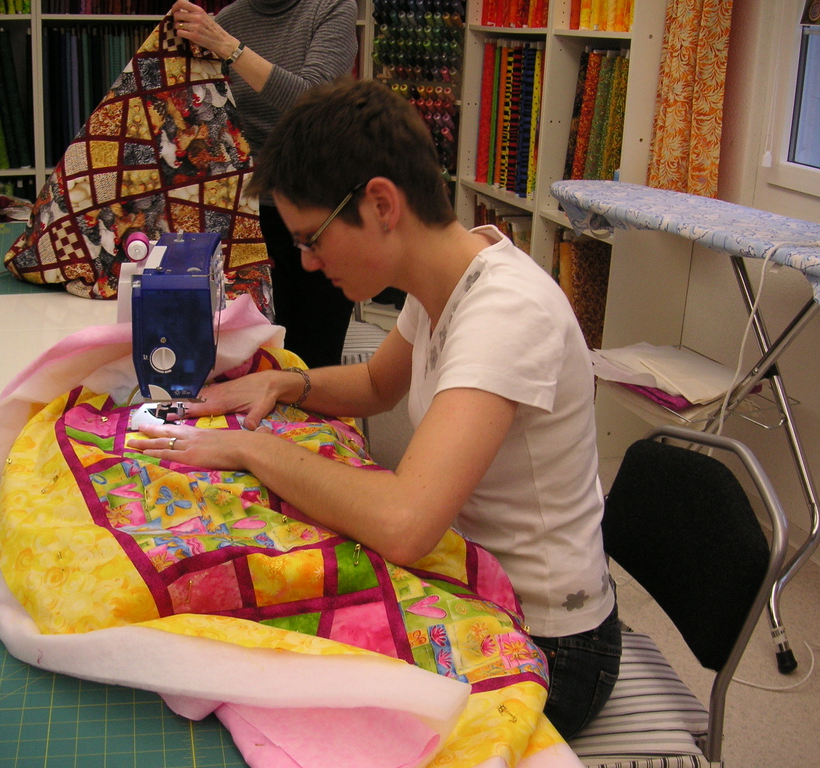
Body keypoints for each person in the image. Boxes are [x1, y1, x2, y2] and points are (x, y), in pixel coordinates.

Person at [128, 78, 621, 740]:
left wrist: (253, 447)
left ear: (382, 204)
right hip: (473, 580)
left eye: (312, 239)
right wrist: (283, 385)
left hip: (550, 646)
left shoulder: (508, 312)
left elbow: (404, 522)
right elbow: (375, 385)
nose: (307, 264)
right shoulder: (445, 278)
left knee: (275, 672)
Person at [169, 0, 359, 368]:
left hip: (320, 216)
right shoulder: (228, 20)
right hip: (247, 216)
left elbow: (312, 101)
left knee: (311, 362)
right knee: (250, 357)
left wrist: (230, 48)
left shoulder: (330, 8)